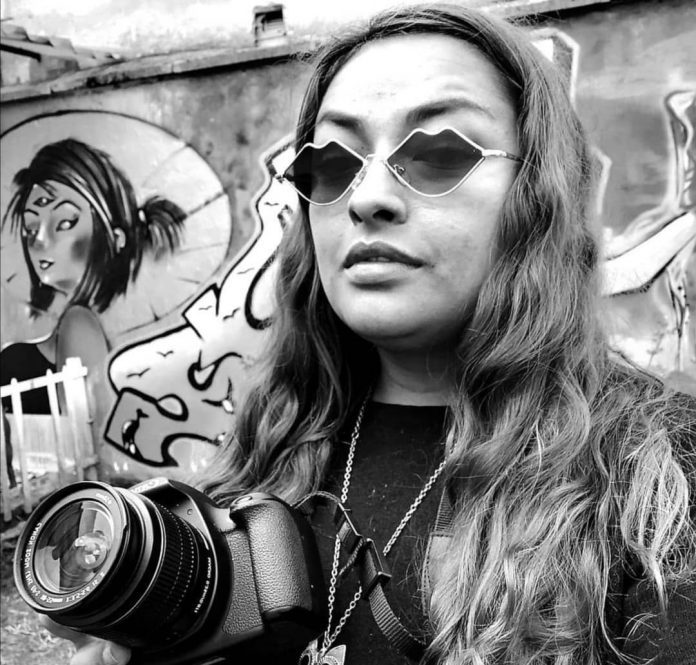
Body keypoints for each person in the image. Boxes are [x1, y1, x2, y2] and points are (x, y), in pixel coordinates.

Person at [40, 5, 695, 665]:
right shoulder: (266, 452)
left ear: (538, 193)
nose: (365, 197)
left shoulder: (658, 476)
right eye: (330, 164)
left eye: (439, 152)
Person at [1, 138, 185, 418]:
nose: (38, 240)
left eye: (64, 223)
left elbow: (84, 430)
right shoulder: (71, 327)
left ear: (115, 237)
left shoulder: (78, 324)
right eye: (31, 227)